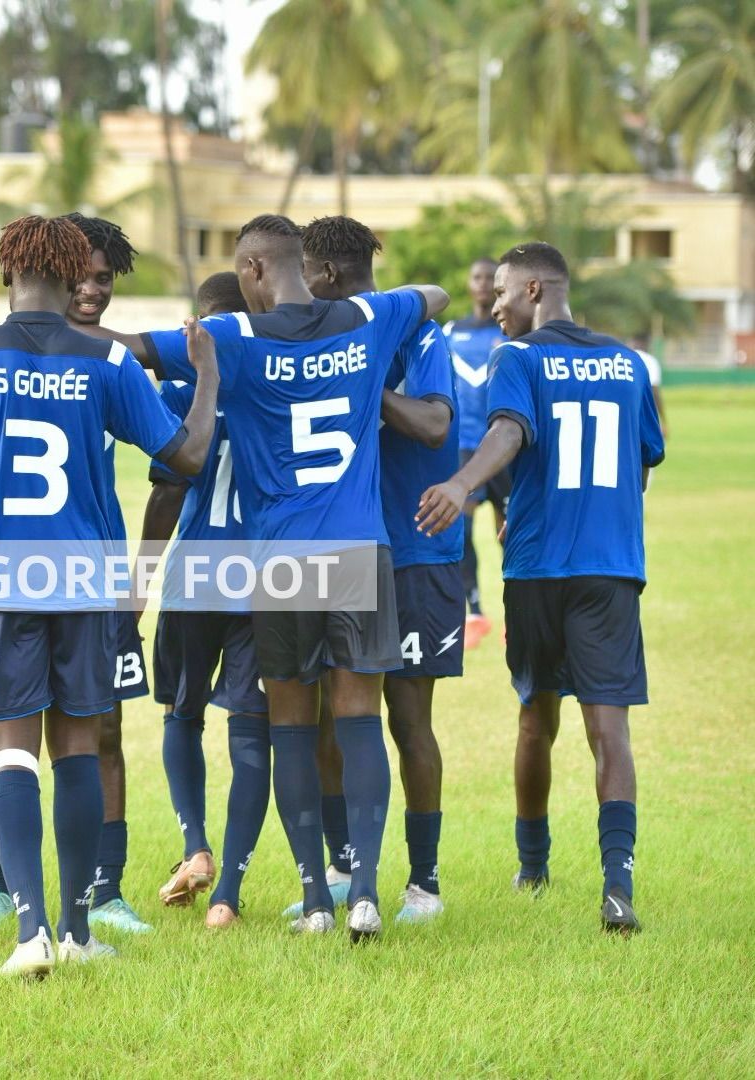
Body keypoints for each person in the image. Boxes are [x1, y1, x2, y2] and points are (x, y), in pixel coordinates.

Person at [86, 214, 449, 940]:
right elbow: (433, 294)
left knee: (288, 728)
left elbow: (126, 350)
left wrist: (52, 322)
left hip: (279, 561)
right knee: (358, 719)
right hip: (360, 552)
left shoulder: (231, 338)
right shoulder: (367, 318)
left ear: (251, 271)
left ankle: (316, 899)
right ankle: (368, 892)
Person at [0, 215, 218, 977]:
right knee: (80, 747)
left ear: (8, 268)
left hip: (2, 584)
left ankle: (30, 934)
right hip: (87, 583)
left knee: (10, 754)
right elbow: (184, 453)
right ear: (67, 271)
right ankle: (79, 928)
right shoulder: (109, 359)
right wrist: (208, 375)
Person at [417, 241, 664, 935]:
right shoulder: (627, 362)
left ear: (533, 290)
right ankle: (618, 886)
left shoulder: (516, 359)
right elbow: (641, 466)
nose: (492, 305)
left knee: (537, 717)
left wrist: (464, 485)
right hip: (611, 567)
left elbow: (508, 431)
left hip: (535, 569)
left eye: (500, 292)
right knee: (608, 726)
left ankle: (533, 868)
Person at [0, 214, 155, 937]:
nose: (93, 289)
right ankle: (5, 885)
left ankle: (102, 892)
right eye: (83, 275)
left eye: (106, 279)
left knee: (98, 731)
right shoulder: (8, 358)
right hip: (55, 577)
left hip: (90, 579)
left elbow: (168, 472)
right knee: (19, 737)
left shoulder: (113, 364)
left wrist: (142, 569)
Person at [281, 215, 462, 925]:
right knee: (329, 718)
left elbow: (435, 425)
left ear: (325, 276)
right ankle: (344, 865)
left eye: (306, 274)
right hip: (342, 547)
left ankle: (424, 881)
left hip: (415, 551)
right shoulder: (313, 339)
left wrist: (362, 386)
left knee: (407, 720)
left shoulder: (415, 336)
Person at [138, 271, 270, 929]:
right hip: (266, 580)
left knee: (181, 714)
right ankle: (228, 898)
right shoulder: (281, 382)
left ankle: (196, 847)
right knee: (252, 728)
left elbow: (167, 490)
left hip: (195, 576)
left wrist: (138, 581)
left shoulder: (183, 385)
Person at [443, 259, 508, 648]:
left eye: (490, 278)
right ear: (469, 283)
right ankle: (476, 612)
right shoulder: (451, 332)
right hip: (464, 448)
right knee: (462, 531)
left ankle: (514, 613)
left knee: (510, 534)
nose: (483, 284)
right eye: (477, 276)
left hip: (503, 449)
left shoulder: (510, 333)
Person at [630, 332, 667, 439]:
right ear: (647, 344)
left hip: (625, 411)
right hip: (644, 412)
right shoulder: (651, 361)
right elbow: (655, 391)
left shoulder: (623, 358)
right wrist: (663, 421)